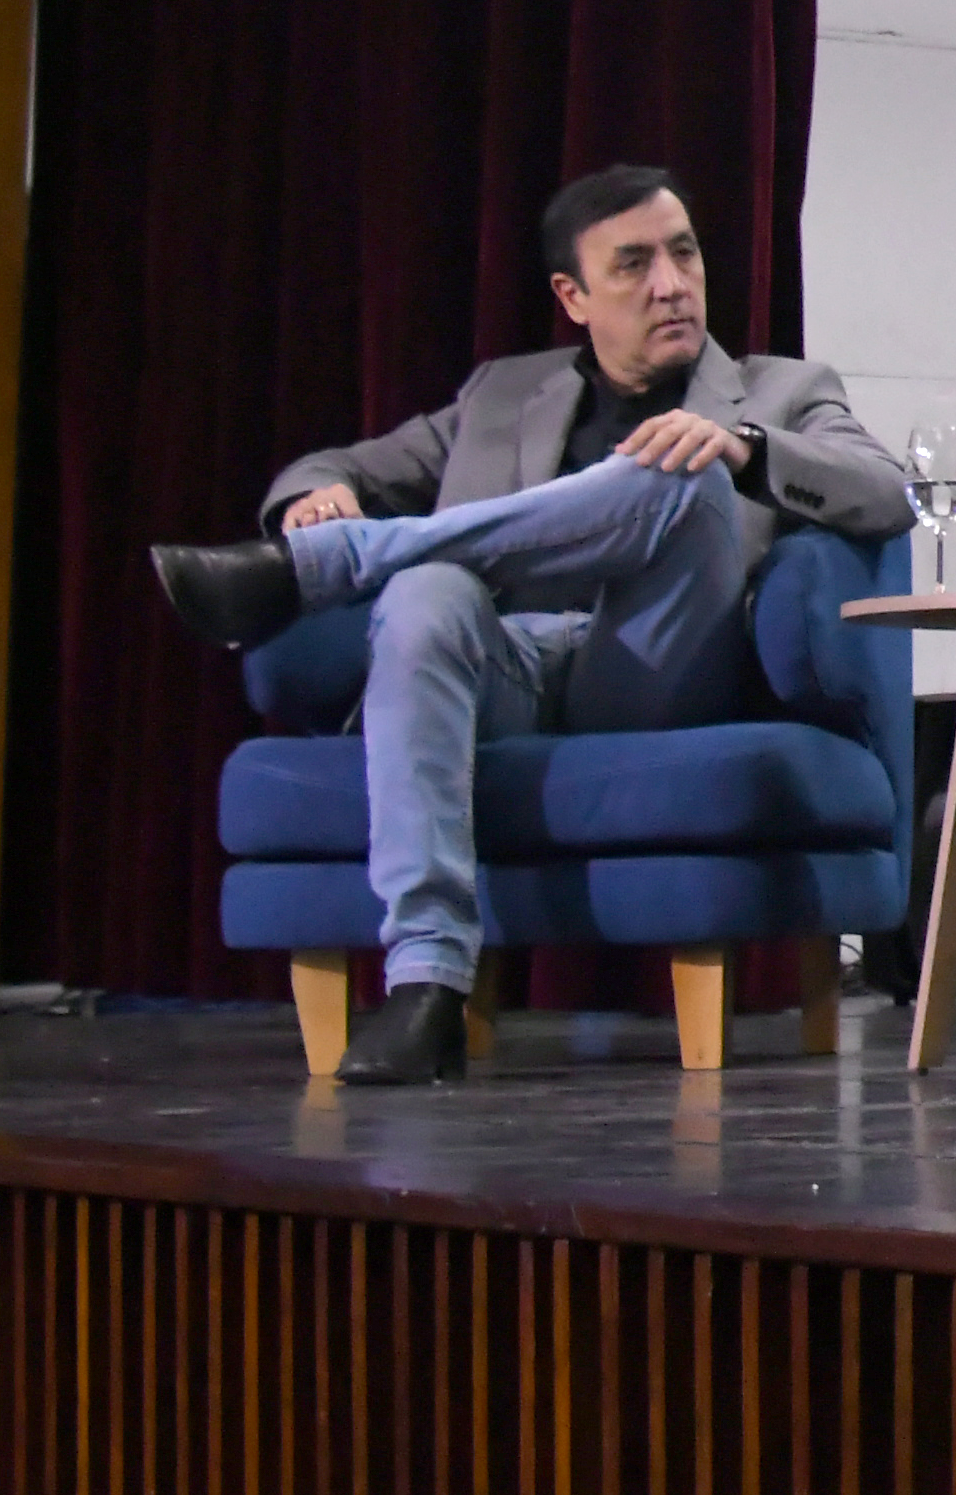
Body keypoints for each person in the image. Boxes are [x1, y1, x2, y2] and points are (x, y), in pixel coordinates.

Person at [151, 167, 912, 1084]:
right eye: (633, 265)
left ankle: (328, 570)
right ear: (573, 296)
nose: (671, 284)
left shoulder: (780, 391)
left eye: (684, 253)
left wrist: (749, 452)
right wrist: (316, 497)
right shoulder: (501, 398)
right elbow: (333, 461)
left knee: (681, 464)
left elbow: (887, 490)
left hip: (658, 670)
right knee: (427, 593)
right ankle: (427, 980)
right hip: (509, 670)